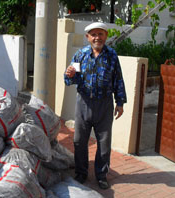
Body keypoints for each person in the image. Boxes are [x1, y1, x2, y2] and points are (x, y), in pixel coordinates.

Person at [64, 22, 127, 189]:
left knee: (104, 144)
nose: (97, 37)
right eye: (94, 34)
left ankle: (101, 175)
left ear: (105, 36)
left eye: (100, 34)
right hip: (84, 103)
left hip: (105, 105)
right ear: (88, 37)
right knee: (79, 141)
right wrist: (69, 75)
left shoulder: (112, 56)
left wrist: (119, 103)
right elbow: (71, 79)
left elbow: (118, 80)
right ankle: (81, 173)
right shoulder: (80, 55)